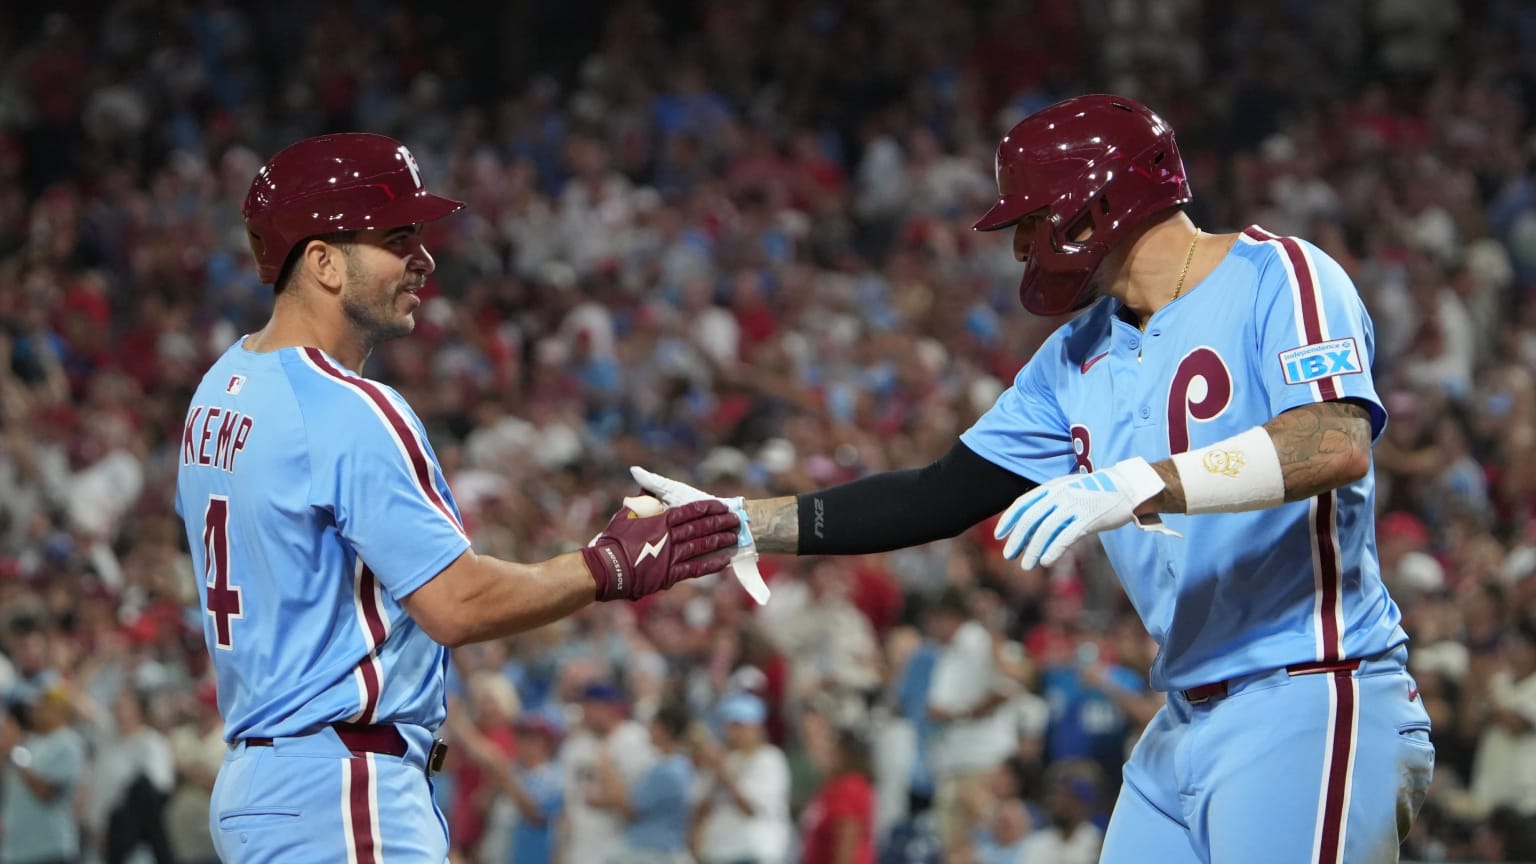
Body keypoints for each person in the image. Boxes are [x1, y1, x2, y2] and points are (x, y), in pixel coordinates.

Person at [635, 93, 1436, 862]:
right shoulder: (1073, 358)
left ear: (1099, 204)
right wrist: (744, 522)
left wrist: (1137, 484)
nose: (1022, 246)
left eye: (1031, 220)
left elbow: (1333, 443)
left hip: (1312, 691)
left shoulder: (1282, 273)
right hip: (1184, 718)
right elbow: (939, 494)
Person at [172, 132, 741, 864]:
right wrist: (608, 567)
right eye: (398, 237)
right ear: (321, 262)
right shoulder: (350, 409)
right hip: (343, 787)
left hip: (263, 783)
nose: (424, 260)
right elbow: (456, 605)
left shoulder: (217, 391)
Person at [693, 692, 792, 864]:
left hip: (752, 852)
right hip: (718, 852)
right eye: (729, 726)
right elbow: (700, 810)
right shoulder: (729, 758)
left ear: (756, 727)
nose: (733, 733)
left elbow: (750, 809)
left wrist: (722, 771)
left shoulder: (770, 759)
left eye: (739, 726)